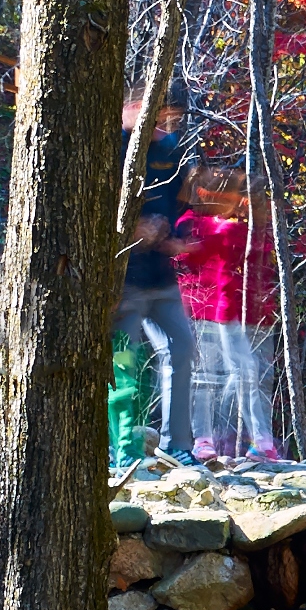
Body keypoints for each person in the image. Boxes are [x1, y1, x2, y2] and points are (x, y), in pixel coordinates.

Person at [173, 161, 282, 459]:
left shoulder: (244, 229)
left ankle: (255, 441)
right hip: (204, 309)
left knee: (237, 373)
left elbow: (262, 253)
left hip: (233, 311)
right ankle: (209, 440)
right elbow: (212, 244)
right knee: (212, 375)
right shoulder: (194, 224)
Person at [113, 90, 198, 459]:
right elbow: (94, 203)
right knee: (124, 361)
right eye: (161, 118)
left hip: (161, 278)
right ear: (133, 108)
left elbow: (181, 202)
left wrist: (177, 238)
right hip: (121, 277)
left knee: (182, 346)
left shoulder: (169, 148)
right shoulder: (110, 142)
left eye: (171, 121)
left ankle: (178, 445)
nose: (165, 128)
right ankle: (125, 451)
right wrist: (133, 229)